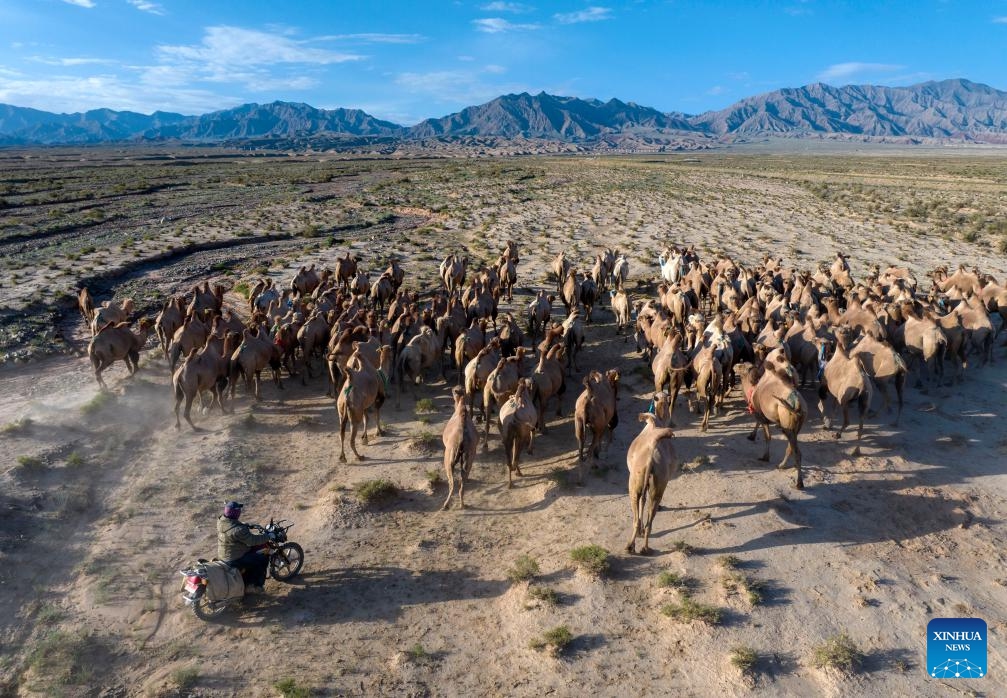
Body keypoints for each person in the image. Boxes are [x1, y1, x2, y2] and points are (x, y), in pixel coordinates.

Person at [217, 501, 272, 593]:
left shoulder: (221, 521)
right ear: (236, 513)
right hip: (234, 558)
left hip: (223, 555)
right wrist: (268, 536)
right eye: (238, 511)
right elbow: (252, 541)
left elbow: (232, 525)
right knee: (261, 559)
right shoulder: (239, 530)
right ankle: (254, 586)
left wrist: (244, 525)